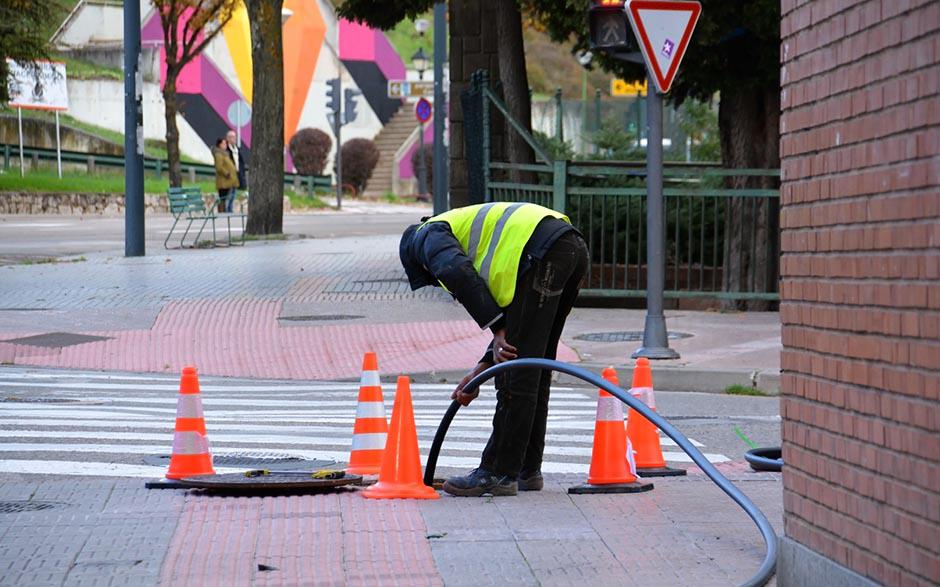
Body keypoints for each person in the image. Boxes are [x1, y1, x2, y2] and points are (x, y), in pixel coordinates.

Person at [399, 202, 589, 497]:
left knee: (517, 373)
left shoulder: (427, 236)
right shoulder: (465, 233)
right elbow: (517, 329)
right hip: (569, 248)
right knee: (532, 364)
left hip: (544, 253)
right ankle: (526, 467)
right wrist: (481, 368)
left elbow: (457, 273)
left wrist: (498, 328)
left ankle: (499, 471)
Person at [212, 137, 238, 213]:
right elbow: (219, 167)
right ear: (219, 145)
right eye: (223, 143)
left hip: (228, 181)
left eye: (226, 143)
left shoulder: (225, 154)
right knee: (223, 197)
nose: (225, 145)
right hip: (223, 181)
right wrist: (227, 173)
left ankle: (226, 211)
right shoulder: (219, 154)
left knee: (228, 197)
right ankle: (222, 212)